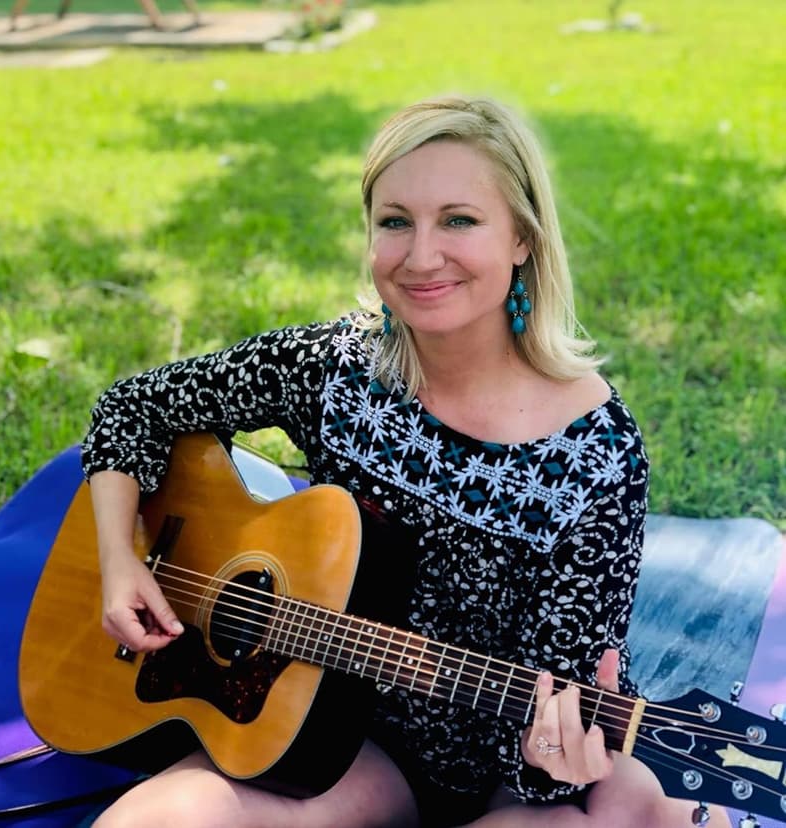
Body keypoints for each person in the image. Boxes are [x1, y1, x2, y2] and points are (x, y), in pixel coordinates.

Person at [81, 96, 728, 827]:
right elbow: (133, 407)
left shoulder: (596, 452)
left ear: (523, 237)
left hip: (503, 766)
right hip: (336, 732)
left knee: (629, 809)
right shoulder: (334, 370)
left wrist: (552, 760)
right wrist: (120, 559)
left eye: (459, 220)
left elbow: (555, 719)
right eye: (395, 222)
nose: (421, 257)